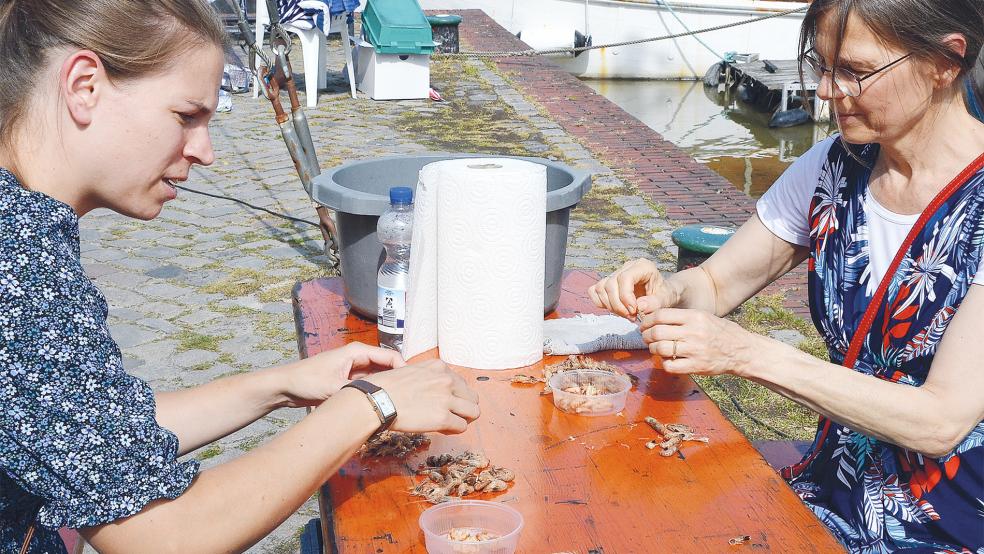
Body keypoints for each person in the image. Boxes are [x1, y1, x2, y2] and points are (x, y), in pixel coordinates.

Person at [0, 1, 480, 552]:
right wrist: (371, 405)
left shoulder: (23, 228)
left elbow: (90, 426)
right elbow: (162, 536)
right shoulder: (17, 262)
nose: (204, 152)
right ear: (85, 86)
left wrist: (276, 386)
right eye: (186, 116)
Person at [589, 0, 984, 551]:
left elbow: (940, 421)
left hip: (946, 525)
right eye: (820, 65)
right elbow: (720, 284)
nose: (825, 91)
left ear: (945, 60)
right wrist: (669, 289)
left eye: (854, 71)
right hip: (830, 493)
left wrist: (745, 354)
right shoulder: (834, 166)